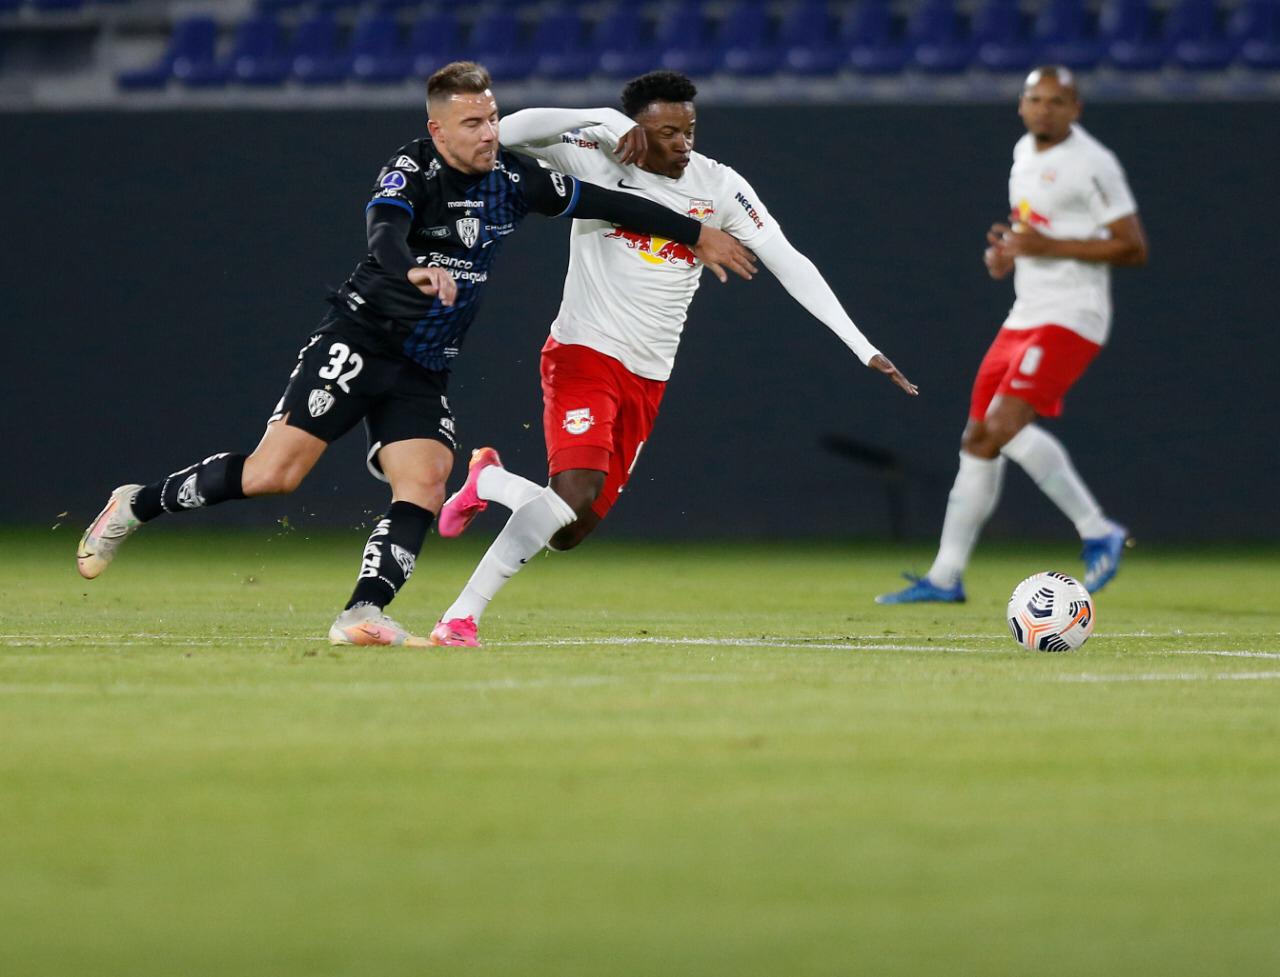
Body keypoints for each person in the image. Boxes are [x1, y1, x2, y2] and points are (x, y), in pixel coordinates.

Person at [75, 61, 754, 647]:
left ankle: (362, 611)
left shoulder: (514, 179)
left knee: (426, 481)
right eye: (472, 123)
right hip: (360, 339)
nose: (488, 133)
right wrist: (412, 271)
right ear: (438, 130)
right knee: (273, 475)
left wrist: (696, 233)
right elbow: (383, 233)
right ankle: (137, 504)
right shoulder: (413, 169)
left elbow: (607, 201)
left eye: (492, 119)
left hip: (424, 364)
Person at [427, 70, 918, 648]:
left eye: (689, 130)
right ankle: (460, 618)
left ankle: (489, 480)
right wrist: (602, 119)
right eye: (666, 132)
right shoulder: (595, 153)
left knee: (567, 531)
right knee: (574, 490)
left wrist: (862, 346)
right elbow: (508, 131)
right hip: (583, 351)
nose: (683, 144)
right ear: (636, 129)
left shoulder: (719, 186)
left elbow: (789, 261)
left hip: (649, 375)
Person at [876, 66, 1147, 605]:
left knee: (1003, 425)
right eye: (1035, 99)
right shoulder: (1024, 152)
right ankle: (945, 577)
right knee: (979, 439)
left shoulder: (1093, 163)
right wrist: (1008, 255)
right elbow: (1034, 229)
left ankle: (1097, 529)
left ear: (1075, 109)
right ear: (1021, 105)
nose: (1044, 109)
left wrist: (1047, 248)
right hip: (1025, 312)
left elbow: (1132, 247)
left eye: (1056, 101)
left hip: (1072, 314)